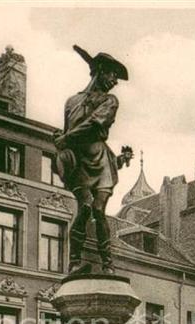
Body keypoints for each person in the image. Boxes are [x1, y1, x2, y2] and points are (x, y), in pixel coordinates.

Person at [53, 45, 133, 274]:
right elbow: (68, 130)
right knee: (85, 208)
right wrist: (60, 140)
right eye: (112, 74)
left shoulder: (111, 101)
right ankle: (75, 262)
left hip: (101, 160)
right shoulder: (72, 101)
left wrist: (65, 138)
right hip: (78, 162)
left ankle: (108, 264)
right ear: (99, 71)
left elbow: (93, 124)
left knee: (98, 210)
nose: (115, 81)